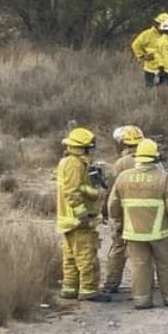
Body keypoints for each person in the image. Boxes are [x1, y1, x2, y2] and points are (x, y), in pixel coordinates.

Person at [107, 139, 168, 310]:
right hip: (160, 233)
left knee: (140, 265)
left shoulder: (123, 177)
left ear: (137, 157)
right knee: (166, 263)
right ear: (155, 158)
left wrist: (117, 223)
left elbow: (113, 205)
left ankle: (142, 299)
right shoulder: (163, 179)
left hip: (133, 233)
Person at [55, 127, 110, 302]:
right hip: (79, 221)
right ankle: (89, 290)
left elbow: (76, 188)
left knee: (71, 257)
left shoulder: (70, 162)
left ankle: (70, 288)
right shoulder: (74, 164)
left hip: (69, 220)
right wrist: (83, 215)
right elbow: (72, 191)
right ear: (84, 147)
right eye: (90, 147)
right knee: (87, 257)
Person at [100, 125, 145, 294]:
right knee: (146, 251)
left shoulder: (121, 164)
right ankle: (145, 284)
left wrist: (105, 211)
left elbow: (112, 192)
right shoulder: (151, 160)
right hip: (148, 214)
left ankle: (112, 284)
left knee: (119, 247)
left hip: (125, 213)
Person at [130, 12, 168, 87]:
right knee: (151, 92)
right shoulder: (147, 34)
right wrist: (142, 56)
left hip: (167, 70)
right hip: (152, 69)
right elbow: (135, 45)